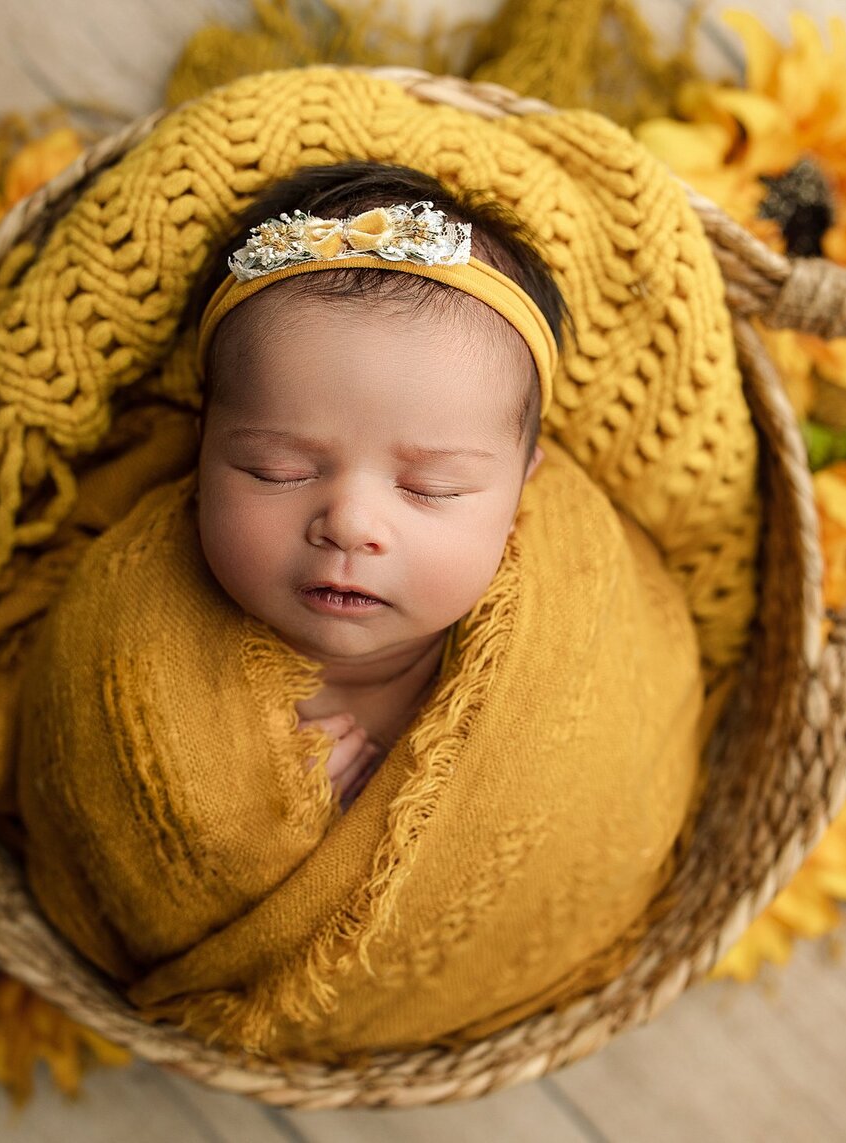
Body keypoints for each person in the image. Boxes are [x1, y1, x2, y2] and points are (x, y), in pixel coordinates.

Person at [187, 160, 570, 810]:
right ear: (199, 447)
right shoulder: (160, 628)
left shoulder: (542, 664)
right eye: (279, 470)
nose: (350, 523)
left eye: (432, 487)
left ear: (518, 493)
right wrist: (255, 810)